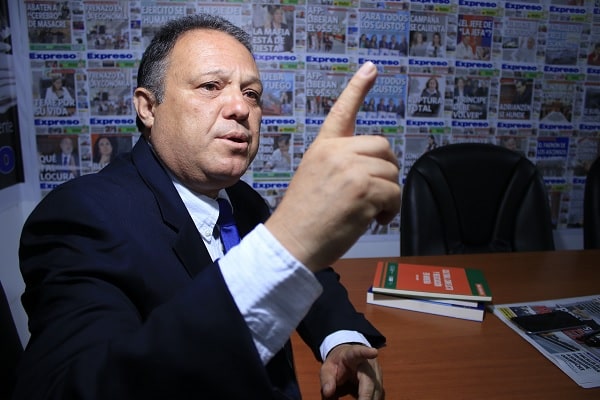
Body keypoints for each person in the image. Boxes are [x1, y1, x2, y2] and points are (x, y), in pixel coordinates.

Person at [15, 14, 399, 400]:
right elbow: (81, 388)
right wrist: (290, 240)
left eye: (252, 94)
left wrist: (341, 338)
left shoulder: (243, 199)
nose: (240, 107)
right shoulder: (80, 217)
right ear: (148, 107)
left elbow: (306, 271)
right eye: (210, 86)